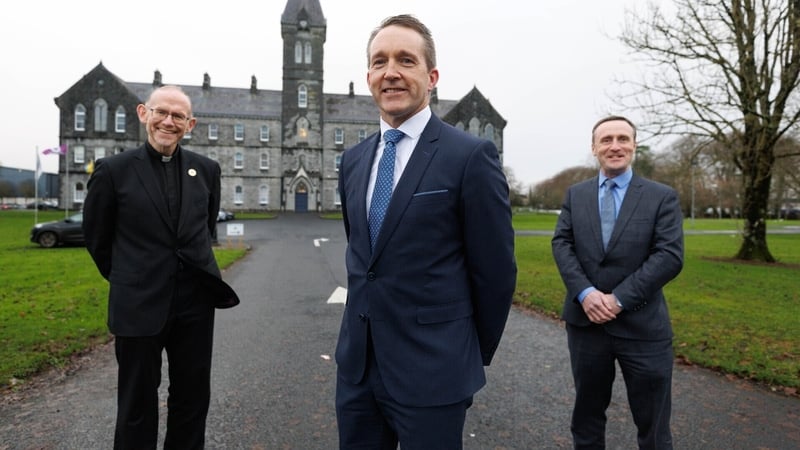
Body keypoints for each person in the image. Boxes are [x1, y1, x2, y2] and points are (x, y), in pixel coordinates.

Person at [334, 14, 517, 449]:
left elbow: (495, 273)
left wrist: (462, 352)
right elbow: (366, 257)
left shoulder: (470, 156)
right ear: (369, 77)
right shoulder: (353, 161)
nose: (390, 72)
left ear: (431, 77)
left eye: (405, 60)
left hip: (434, 371)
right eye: (379, 62)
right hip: (358, 371)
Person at [82, 85, 239, 449]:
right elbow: (97, 238)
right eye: (161, 113)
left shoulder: (207, 170)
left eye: (178, 116)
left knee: (192, 397)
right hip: (138, 303)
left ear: (190, 124)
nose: (168, 122)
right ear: (144, 114)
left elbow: (204, 228)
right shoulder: (113, 171)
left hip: (194, 304)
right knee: (137, 401)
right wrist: (128, 278)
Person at [551, 115, 684, 449]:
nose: (615, 146)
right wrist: (585, 293)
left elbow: (669, 255)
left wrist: (618, 299)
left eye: (623, 139)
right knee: (587, 418)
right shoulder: (576, 194)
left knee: (654, 425)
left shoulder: (661, 196)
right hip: (587, 325)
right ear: (594, 147)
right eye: (606, 140)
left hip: (643, 326)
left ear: (634, 145)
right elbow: (562, 244)